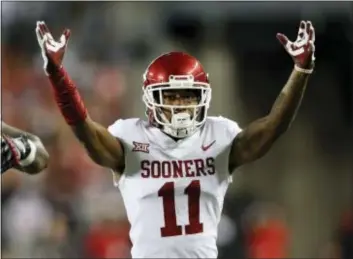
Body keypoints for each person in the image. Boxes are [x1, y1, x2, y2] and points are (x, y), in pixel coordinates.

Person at [35, 20, 316, 258]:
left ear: (203, 98)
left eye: (188, 96)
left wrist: (301, 72)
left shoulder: (218, 136)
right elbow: (84, 129)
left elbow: (273, 127)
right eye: (171, 96)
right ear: (151, 99)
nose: (180, 106)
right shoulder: (131, 138)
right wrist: (57, 75)